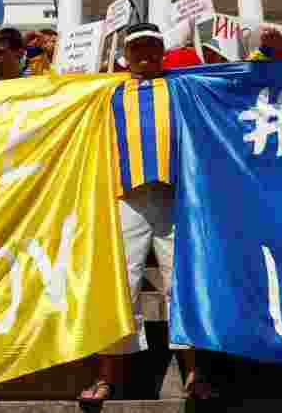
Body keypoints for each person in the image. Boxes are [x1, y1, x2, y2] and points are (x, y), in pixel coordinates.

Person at [79, 22, 217, 403]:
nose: (146, 54)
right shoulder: (106, 89)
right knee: (120, 284)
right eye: (138, 48)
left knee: (182, 283)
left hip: (176, 195)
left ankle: (195, 376)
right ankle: (106, 379)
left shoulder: (182, 85)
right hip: (127, 196)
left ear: (163, 51)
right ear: (125, 54)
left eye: (153, 46)